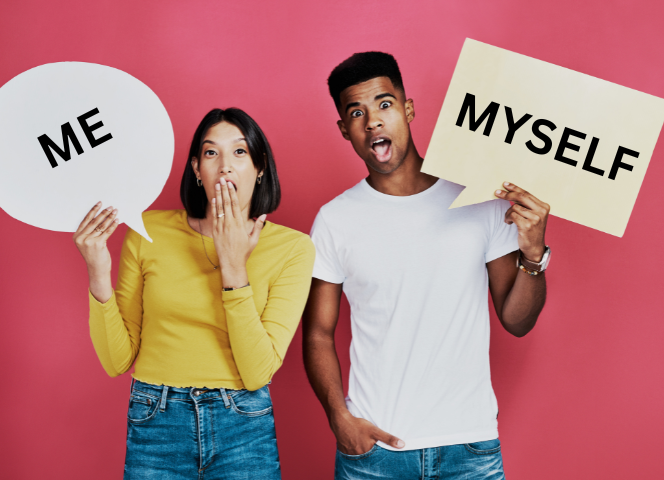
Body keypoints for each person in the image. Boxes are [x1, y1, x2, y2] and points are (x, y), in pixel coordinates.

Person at [303, 52, 551, 479]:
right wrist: (338, 417)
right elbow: (318, 333)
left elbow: (517, 321)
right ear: (345, 130)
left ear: (408, 109)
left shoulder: (479, 201)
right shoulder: (334, 220)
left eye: (384, 104)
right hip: (374, 456)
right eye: (356, 112)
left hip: (469, 450)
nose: (373, 122)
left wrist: (533, 255)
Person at [73, 107, 315, 480]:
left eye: (239, 152)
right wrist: (97, 271)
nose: (225, 165)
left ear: (260, 166)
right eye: (210, 152)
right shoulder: (148, 231)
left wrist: (234, 266)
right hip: (156, 418)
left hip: (243, 423)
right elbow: (117, 361)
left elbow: (257, 372)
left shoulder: (293, 248)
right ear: (196, 169)